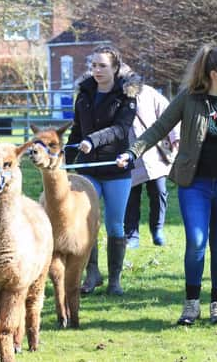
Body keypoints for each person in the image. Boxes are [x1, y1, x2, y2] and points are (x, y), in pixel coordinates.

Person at [116, 45, 217, 325]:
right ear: (213, 74)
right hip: (193, 184)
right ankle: (191, 305)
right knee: (196, 243)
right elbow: (159, 128)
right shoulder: (190, 98)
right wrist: (132, 151)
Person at [64, 45, 138, 296]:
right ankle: (92, 273)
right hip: (88, 170)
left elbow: (120, 129)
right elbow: (76, 130)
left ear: (115, 68)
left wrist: (93, 140)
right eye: (93, 65)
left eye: (102, 65)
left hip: (116, 169)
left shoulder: (127, 96)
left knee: (115, 225)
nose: (96, 70)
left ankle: (115, 279)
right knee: (86, 223)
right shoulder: (84, 95)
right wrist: (65, 162)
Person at [124, 82, 179, 249]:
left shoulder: (148, 92)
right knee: (130, 198)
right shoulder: (113, 95)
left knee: (159, 192)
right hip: (127, 155)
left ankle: (157, 230)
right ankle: (132, 236)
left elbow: (168, 114)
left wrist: (175, 137)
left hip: (153, 153)